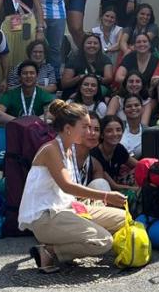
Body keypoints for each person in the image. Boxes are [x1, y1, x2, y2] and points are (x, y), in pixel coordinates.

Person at [22, 100, 130, 272]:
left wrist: (87, 204)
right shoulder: (51, 149)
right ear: (68, 129)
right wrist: (106, 196)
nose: (90, 132)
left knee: (124, 219)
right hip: (45, 217)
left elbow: (67, 192)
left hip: (65, 209)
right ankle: (50, 251)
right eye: (85, 126)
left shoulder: (69, 148)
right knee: (104, 241)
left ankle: (63, 245)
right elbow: (67, 186)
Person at [86, 116, 138, 196]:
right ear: (102, 135)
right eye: (109, 131)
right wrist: (138, 189)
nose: (115, 134)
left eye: (118, 130)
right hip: (102, 190)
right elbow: (113, 186)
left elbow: (138, 165)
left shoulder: (119, 148)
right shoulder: (95, 154)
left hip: (119, 185)